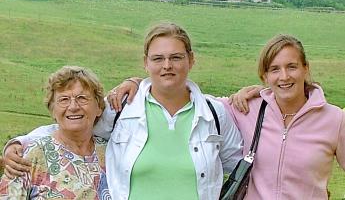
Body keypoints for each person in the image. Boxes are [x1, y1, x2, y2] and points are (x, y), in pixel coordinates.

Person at [2, 23, 243, 200]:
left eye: (176, 57)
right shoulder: (122, 108)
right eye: (158, 58)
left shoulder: (215, 113)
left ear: (191, 60)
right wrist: (20, 143)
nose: (167, 66)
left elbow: (242, 169)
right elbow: (75, 124)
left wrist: (260, 94)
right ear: (145, 63)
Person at [98, 34, 345, 199]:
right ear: (264, 76)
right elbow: (177, 93)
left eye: (291, 67)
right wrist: (135, 83)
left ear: (306, 68)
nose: (284, 77)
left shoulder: (334, 120)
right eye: (274, 70)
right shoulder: (245, 109)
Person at [0, 66, 110, 199]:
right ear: (53, 110)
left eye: (82, 98)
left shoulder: (112, 152)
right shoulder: (30, 156)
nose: (73, 107)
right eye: (64, 99)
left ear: (99, 107)